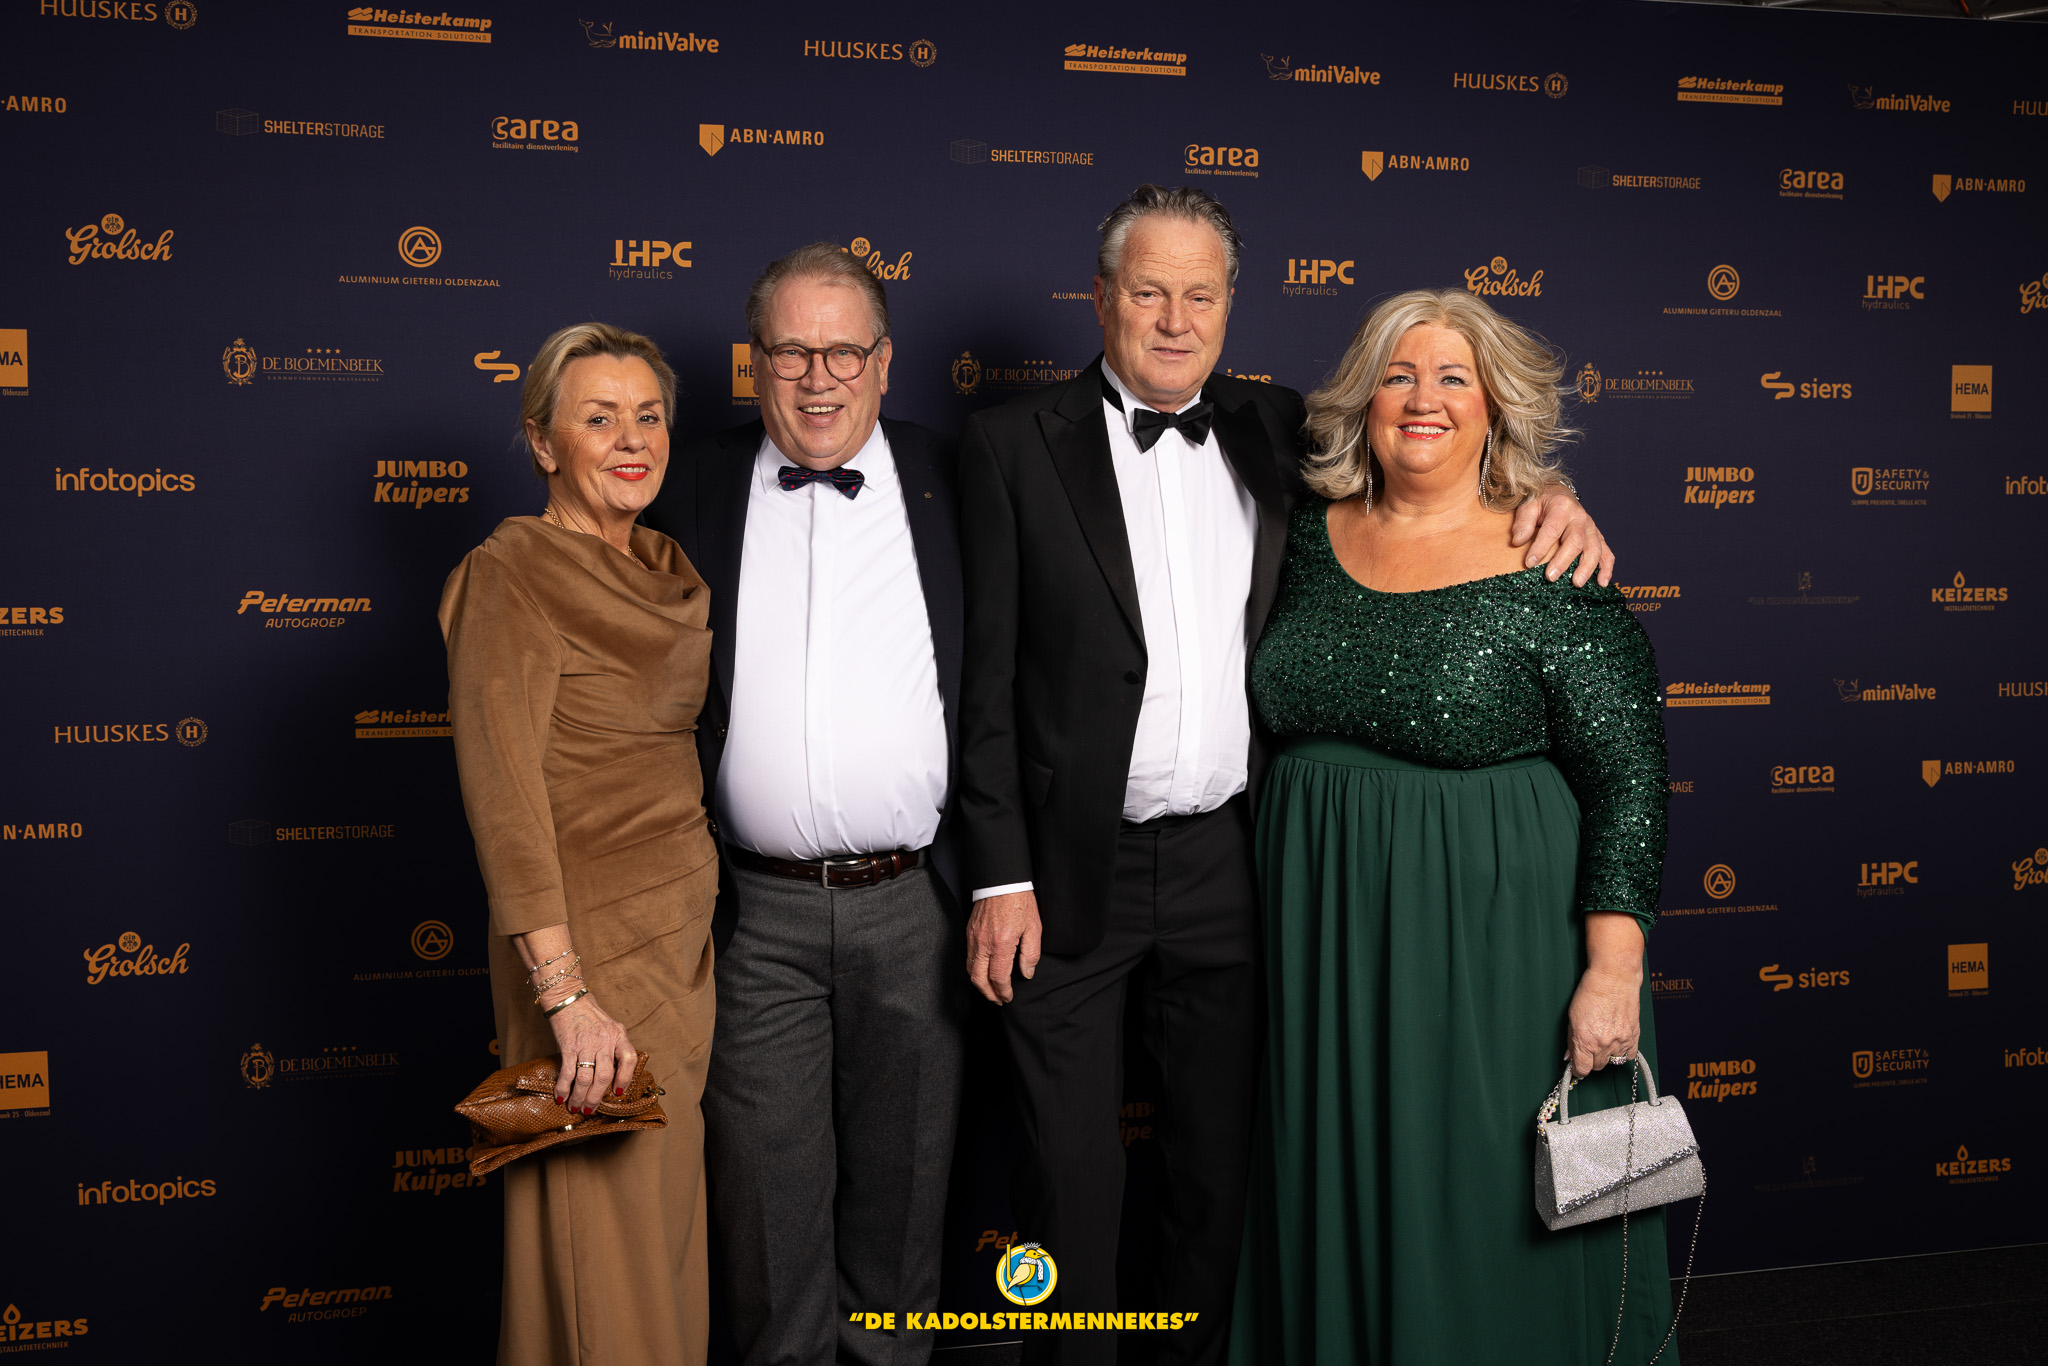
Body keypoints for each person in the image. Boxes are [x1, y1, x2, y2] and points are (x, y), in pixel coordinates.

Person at [955, 185, 1614, 1366]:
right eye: (1148, 292)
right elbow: (981, 680)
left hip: (1234, 860)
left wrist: (1548, 495)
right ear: (1100, 299)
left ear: (1228, 306)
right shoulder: (1008, 444)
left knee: (1218, 1171)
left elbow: (1432, 447)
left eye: (1199, 296)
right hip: (1063, 868)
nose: (1174, 320)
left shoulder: (1279, 429)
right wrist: (999, 874)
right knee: (1066, 1173)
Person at [1227, 289, 1674, 1364]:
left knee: (1486, 1191)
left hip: (1492, 937)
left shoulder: (1553, 562)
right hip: (1324, 929)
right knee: (1339, 1169)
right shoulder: (1296, 532)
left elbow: (1629, 778)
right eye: (1397, 375)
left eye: (1452, 379)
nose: (1421, 399)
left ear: (1495, 408)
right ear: (1361, 400)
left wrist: (1612, 972)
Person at [640, 242, 966, 1366]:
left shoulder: (959, 479)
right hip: (750, 917)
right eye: (789, 352)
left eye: (842, 352)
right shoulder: (686, 483)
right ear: (755, 362)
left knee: (904, 1212)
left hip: (915, 906)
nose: (817, 378)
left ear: (884, 361)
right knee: (767, 1223)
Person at [440, 322, 716, 1366]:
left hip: (679, 951)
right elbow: (503, 799)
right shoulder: (510, 575)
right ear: (541, 443)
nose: (631, 438)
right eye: (598, 418)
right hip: (583, 962)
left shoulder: (665, 568)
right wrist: (565, 997)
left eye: (649, 415)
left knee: (661, 1246)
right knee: (601, 1257)